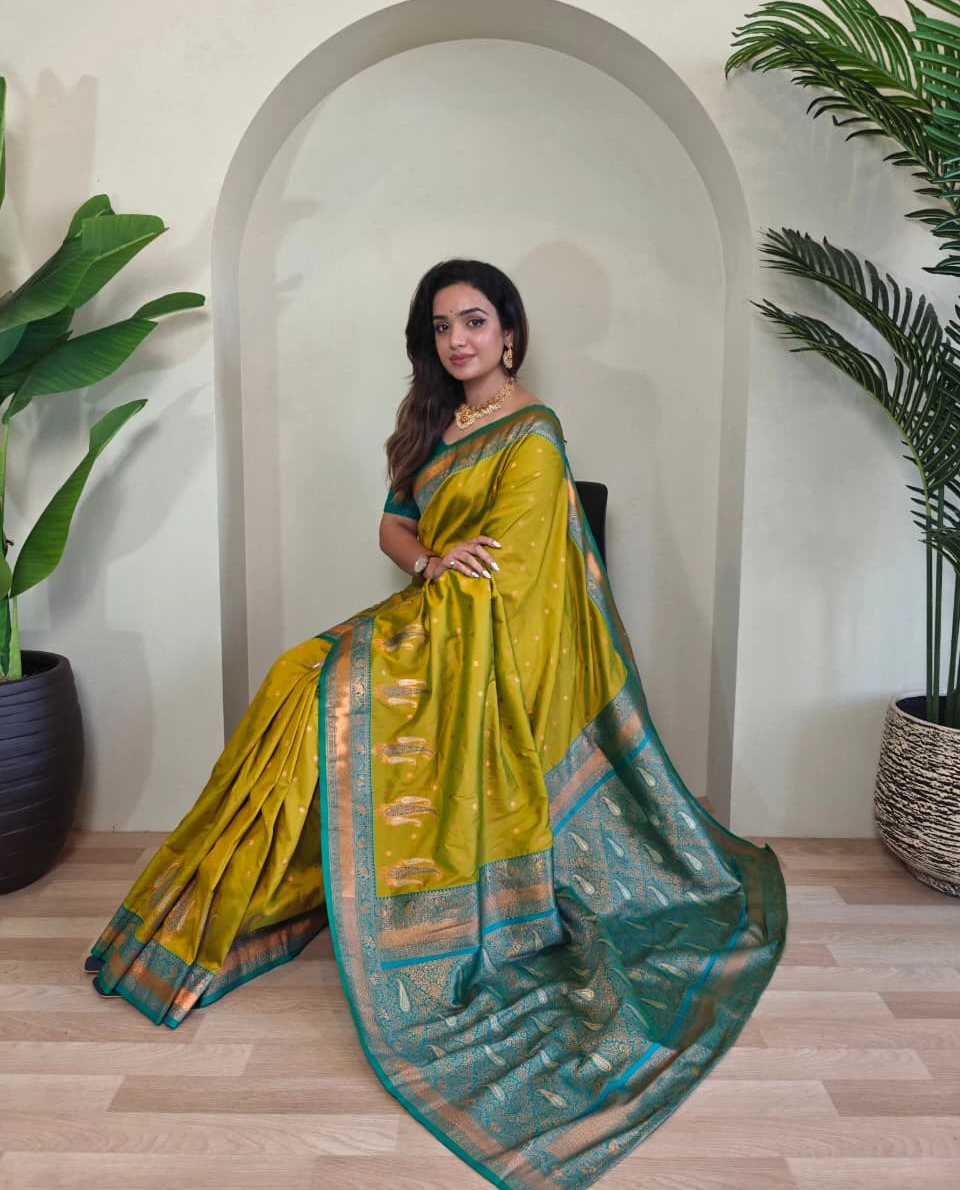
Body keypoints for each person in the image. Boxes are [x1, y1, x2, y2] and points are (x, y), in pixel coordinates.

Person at [88, 260, 787, 1190]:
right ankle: (238, 904)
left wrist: (441, 590)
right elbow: (393, 531)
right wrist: (428, 562)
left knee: (311, 676)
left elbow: (514, 581)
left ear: (510, 333)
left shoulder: (532, 435)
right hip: (429, 616)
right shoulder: (431, 422)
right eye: (441, 326)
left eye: (475, 322)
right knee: (297, 680)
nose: (458, 339)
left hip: (479, 648)